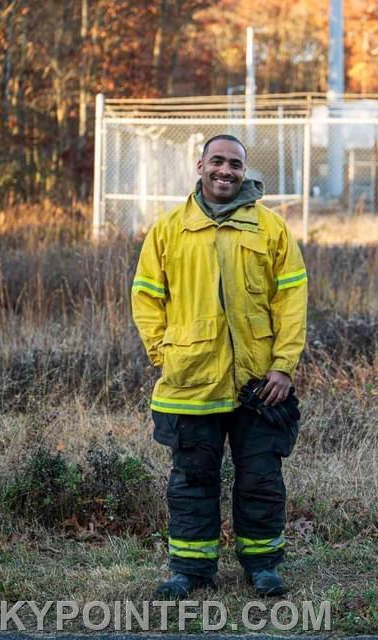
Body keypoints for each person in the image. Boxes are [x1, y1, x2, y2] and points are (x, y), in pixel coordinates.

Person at [131, 134, 307, 598]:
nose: (225, 170)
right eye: (217, 161)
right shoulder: (169, 228)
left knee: (261, 480)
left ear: (244, 170)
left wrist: (283, 366)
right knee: (192, 481)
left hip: (259, 385)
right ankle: (190, 570)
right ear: (200, 166)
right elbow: (147, 299)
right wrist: (163, 354)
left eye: (234, 163)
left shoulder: (270, 228)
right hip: (190, 382)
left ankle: (263, 565)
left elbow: (291, 300)